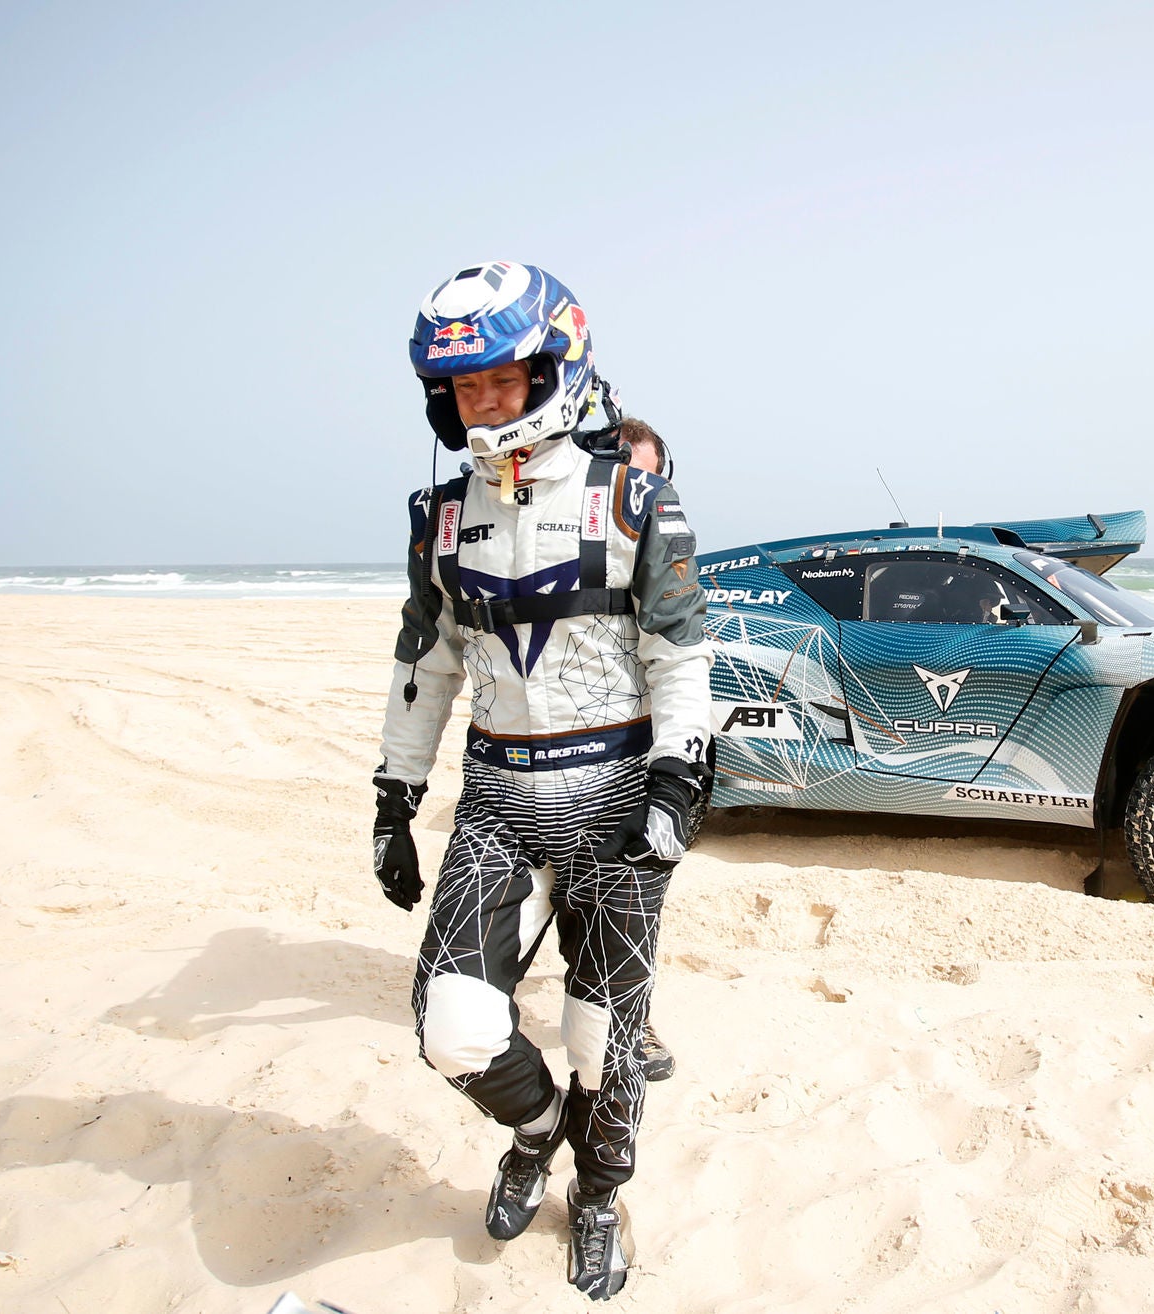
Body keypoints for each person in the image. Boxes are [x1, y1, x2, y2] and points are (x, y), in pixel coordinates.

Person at [370, 260, 712, 1300]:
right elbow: (424, 662)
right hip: (498, 800)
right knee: (451, 1026)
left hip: (614, 794)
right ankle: (538, 1130)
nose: (482, 402)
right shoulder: (438, 516)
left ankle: (598, 1196)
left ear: (553, 368)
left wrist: (676, 777)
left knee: (604, 1036)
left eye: (501, 380)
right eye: (463, 386)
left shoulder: (637, 499)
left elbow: (680, 654)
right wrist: (393, 796)